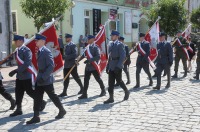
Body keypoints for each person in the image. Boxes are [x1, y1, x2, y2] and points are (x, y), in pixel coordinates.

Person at [26, 34, 66, 124]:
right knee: (37, 98)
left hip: (46, 79)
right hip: (40, 79)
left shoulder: (46, 51)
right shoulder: (39, 51)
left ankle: (62, 110)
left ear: (43, 41)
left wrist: (43, 77)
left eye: (37, 40)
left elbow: (51, 66)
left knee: (52, 96)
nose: (35, 42)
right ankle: (36, 116)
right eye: (35, 40)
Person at [9, 35, 46, 117]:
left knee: (30, 92)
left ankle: (41, 102)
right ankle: (19, 109)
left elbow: (27, 63)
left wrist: (16, 71)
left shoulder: (26, 50)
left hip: (26, 76)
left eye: (16, 41)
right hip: (19, 76)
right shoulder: (17, 50)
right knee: (18, 92)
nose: (15, 42)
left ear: (21, 41)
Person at [104, 31, 130, 104]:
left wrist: (118, 66)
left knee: (119, 81)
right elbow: (110, 56)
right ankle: (111, 98)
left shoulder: (120, 44)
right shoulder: (111, 44)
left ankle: (126, 91)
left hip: (117, 65)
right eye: (111, 36)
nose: (111, 37)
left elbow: (123, 57)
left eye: (113, 35)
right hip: (111, 65)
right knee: (110, 82)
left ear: (117, 36)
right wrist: (107, 66)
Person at [78, 35, 106, 99]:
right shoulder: (87, 47)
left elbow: (98, 57)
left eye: (89, 39)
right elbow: (83, 55)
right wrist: (78, 60)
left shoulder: (96, 47)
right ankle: (84, 94)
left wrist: (89, 60)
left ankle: (103, 90)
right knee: (86, 80)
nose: (87, 40)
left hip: (94, 66)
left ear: (92, 39)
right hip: (88, 67)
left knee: (98, 79)